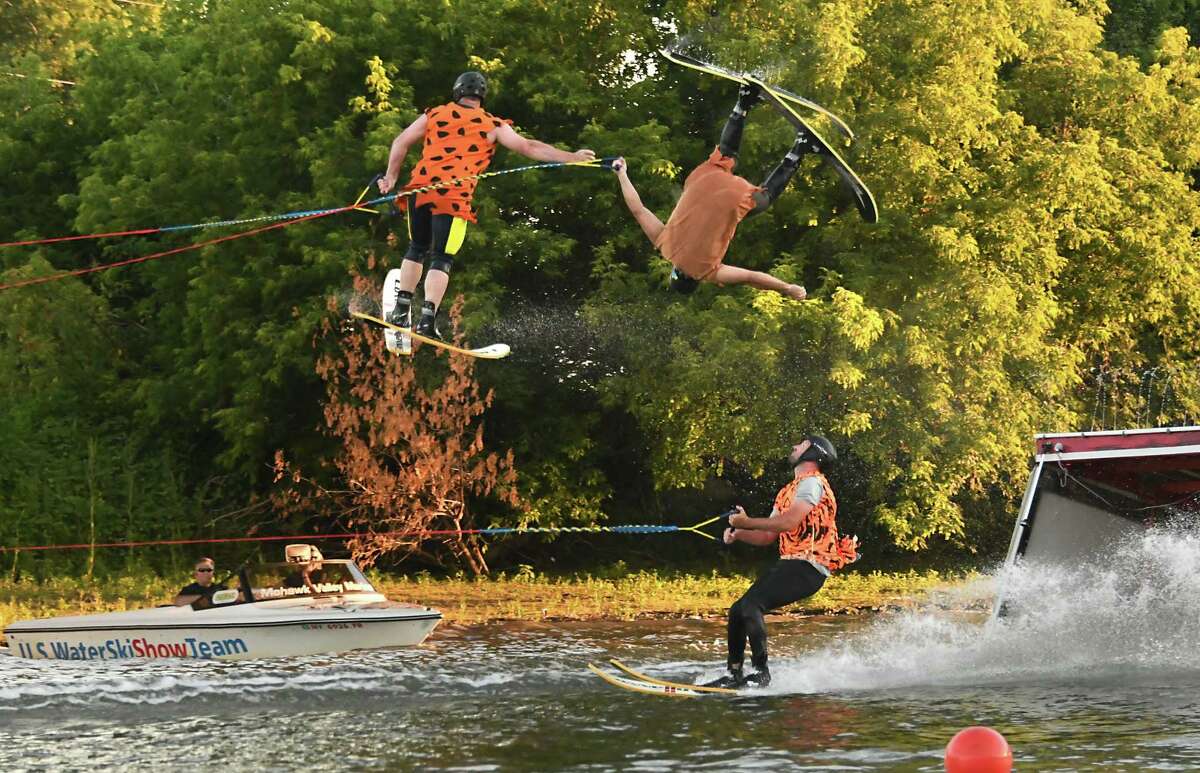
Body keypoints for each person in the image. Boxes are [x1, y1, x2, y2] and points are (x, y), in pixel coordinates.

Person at [376, 70, 595, 346]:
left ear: (457, 92)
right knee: (441, 258)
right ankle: (426, 320)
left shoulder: (435, 114)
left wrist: (391, 177)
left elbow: (400, 142)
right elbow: (529, 147)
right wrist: (571, 157)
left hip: (420, 190)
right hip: (453, 197)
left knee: (416, 248)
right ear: (481, 96)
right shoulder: (492, 125)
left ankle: (400, 310)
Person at [611, 82, 816, 300]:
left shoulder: (708, 272)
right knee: (726, 153)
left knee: (764, 198)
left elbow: (751, 277)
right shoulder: (662, 243)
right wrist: (622, 174)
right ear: (674, 271)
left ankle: (799, 148)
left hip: (733, 197)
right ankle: (743, 102)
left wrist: (787, 288)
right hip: (702, 178)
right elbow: (638, 209)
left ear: (695, 281)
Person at [709, 435, 859, 688]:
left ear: (813, 453)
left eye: (800, 445)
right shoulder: (788, 490)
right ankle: (734, 674)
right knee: (738, 609)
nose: (793, 447)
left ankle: (760, 674)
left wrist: (746, 521)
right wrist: (740, 534)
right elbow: (769, 535)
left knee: (752, 606)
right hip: (792, 564)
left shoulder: (813, 484)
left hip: (809, 567)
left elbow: (789, 522)